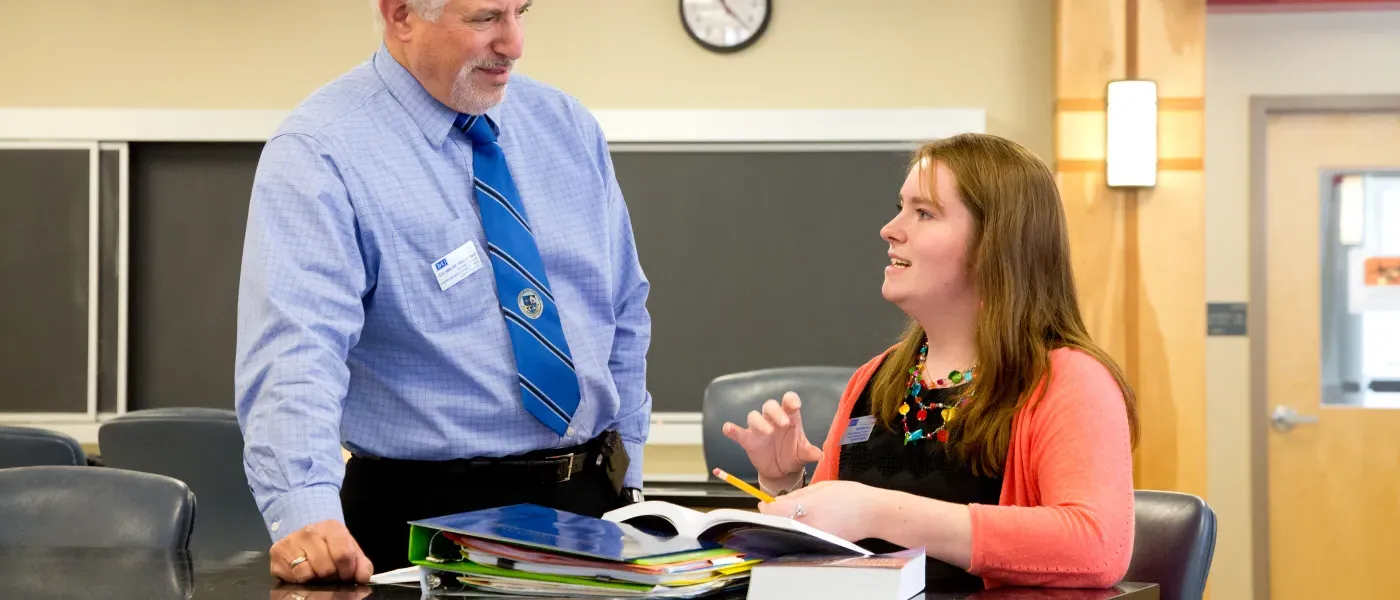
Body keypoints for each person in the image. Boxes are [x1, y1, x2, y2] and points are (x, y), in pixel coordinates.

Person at [235, 0, 652, 583]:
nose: (513, 43)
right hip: (423, 528)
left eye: (521, 12)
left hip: (591, 510)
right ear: (401, 15)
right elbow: (295, 352)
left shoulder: (567, 126)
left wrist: (628, 471)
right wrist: (304, 512)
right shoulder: (319, 151)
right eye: (485, 19)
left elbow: (623, 308)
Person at [722, 133, 1139, 591]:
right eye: (901, 207)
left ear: (993, 245)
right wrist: (785, 486)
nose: (890, 229)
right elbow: (829, 550)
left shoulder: (1069, 380)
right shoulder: (874, 379)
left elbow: (1096, 547)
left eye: (923, 213)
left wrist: (876, 511)